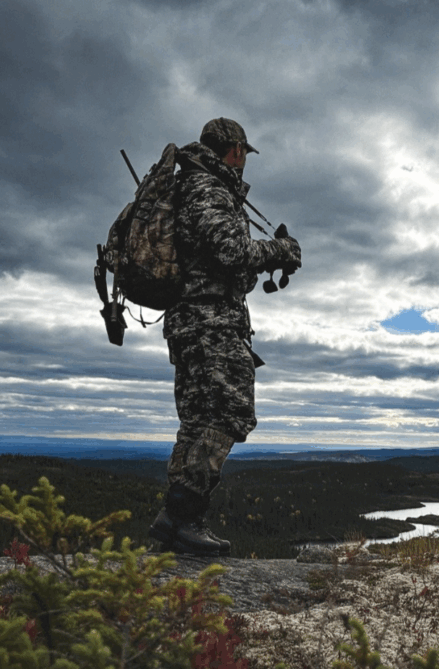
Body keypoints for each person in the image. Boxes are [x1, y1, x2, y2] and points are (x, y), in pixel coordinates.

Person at [147, 118, 302, 556]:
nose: (244, 163)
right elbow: (231, 251)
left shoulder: (188, 188)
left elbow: (218, 257)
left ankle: (174, 522)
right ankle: (183, 516)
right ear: (234, 150)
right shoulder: (209, 189)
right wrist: (281, 251)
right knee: (232, 413)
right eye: (243, 154)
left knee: (196, 420)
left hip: (190, 324)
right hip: (212, 324)